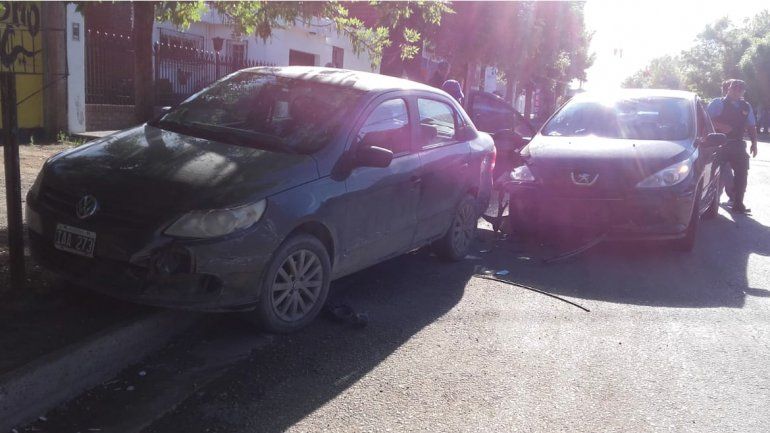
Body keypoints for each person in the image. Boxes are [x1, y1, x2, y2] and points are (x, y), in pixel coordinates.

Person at [707, 79, 758, 214]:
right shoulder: (718, 103)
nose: (737, 91)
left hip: (738, 144)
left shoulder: (746, 106)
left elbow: (751, 126)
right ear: (728, 89)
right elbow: (705, 120)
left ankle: (738, 203)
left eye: (740, 89)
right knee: (713, 173)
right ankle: (710, 203)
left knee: (742, 173)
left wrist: (754, 143)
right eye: (734, 88)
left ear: (743, 91)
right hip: (719, 143)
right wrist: (719, 126)